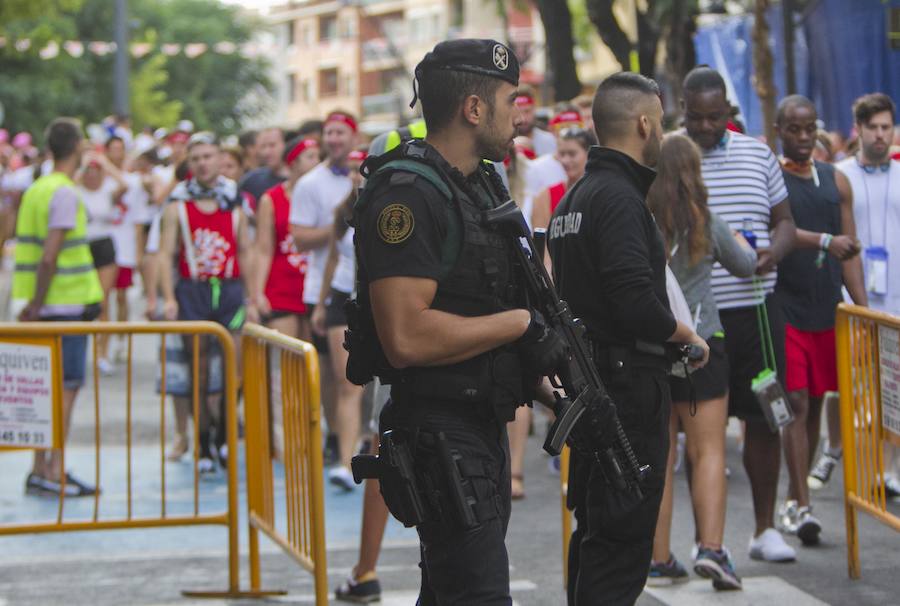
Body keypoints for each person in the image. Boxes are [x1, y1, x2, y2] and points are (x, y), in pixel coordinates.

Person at [351, 39, 567, 604]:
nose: (520, 119)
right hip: (439, 432)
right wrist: (520, 325)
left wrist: (547, 383)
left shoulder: (479, 183)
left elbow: (480, 299)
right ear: (474, 109)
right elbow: (405, 336)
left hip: (480, 423)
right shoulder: (408, 194)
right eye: (509, 101)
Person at [548, 72, 708, 605]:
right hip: (625, 393)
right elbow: (634, 301)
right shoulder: (617, 198)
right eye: (661, 122)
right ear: (643, 123)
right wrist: (687, 334)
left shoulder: (575, 197)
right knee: (618, 542)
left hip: (597, 389)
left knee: (596, 534)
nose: (662, 132)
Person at [682, 66, 798, 562]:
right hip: (698, 316)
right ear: (682, 112)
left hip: (755, 307)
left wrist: (777, 251)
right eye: (697, 118)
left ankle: (765, 527)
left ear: (728, 111)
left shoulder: (758, 154)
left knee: (764, 417)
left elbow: (785, 222)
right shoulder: (672, 156)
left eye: (716, 117)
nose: (707, 127)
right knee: (700, 430)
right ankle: (707, 536)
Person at [647, 133, 757, 590]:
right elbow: (746, 263)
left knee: (663, 454)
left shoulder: (642, 220)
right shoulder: (705, 221)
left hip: (654, 346)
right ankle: (712, 548)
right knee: (708, 449)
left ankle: (659, 557)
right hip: (703, 344)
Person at [772, 95, 868, 544]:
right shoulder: (771, 178)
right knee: (795, 402)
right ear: (779, 130)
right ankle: (802, 505)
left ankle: (795, 493)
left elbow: (849, 248)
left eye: (810, 128)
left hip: (826, 307)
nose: (804, 137)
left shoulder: (836, 180)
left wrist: (863, 311)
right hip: (784, 304)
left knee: (812, 403)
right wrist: (826, 241)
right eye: (795, 129)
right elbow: (779, 238)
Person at [13, 117, 104, 496]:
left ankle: (41, 469)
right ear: (79, 147)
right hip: (62, 307)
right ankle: (54, 470)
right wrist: (38, 302)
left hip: (42, 308)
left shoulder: (38, 188)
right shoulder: (64, 192)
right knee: (63, 394)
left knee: (43, 392)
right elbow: (49, 256)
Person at [157, 132, 252, 473]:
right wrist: (168, 298)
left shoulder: (235, 201)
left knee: (234, 368)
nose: (202, 163)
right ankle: (203, 441)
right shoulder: (177, 205)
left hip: (229, 291)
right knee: (198, 369)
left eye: (208, 156)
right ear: (190, 162)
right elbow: (166, 255)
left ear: (218, 157)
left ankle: (226, 434)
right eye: (196, 158)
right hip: (192, 291)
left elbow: (246, 250)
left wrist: (253, 296)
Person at [836, 93, 900, 499]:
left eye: (886, 127)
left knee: (894, 388)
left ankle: (890, 469)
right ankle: (856, 462)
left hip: (896, 300)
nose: (881, 135)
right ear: (858, 130)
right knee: (859, 390)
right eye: (873, 128)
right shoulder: (840, 175)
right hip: (854, 302)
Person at [291, 110, 357, 467]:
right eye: (328, 133)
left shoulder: (373, 175)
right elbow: (299, 239)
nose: (333, 139)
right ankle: (337, 437)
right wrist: (340, 226)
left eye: (340, 133)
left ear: (354, 136)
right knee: (335, 374)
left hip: (364, 289)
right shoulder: (310, 184)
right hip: (324, 288)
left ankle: (356, 437)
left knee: (360, 377)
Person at [312, 149, 368, 491]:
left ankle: (365, 442)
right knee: (346, 382)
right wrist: (320, 304)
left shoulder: (392, 206)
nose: (356, 177)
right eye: (352, 172)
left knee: (374, 388)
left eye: (361, 170)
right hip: (342, 298)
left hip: (376, 302)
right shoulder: (343, 211)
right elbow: (332, 259)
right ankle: (345, 462)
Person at [253, 137, 320, 341]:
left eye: (318, 156)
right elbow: (263, 249)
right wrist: (257, 293)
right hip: (281, 287)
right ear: (293, 163)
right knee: (286, 359)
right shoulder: (271, 199)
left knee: (313, 362)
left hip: (313, 284)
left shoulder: (321, 195)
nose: (317, 162)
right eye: (310, 157)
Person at [77, 149, 128, 375]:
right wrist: (83, 164)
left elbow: (125, 185)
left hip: (104, 245)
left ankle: (102, 353)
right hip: (82, 247)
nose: (92, 174)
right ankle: (80, 351)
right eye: (89, 171)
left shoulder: (108, 188)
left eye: (95, 171)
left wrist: (105, 163)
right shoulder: (76, 189)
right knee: (80, 303)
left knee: (103, 301)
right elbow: (67, 181)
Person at [530, 127, 594, 231]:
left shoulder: (598, 193)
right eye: (562, 154)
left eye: (572, 154)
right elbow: (540, 243)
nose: (565, 160)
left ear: (589, 154)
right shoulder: (546, 196)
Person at [239, 127, 287, 207]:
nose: (266, 152)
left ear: (286, 144)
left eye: (272, 145)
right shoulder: (250, 181)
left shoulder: (300, 178)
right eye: (263, 147)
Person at [515, 85, 556, 156]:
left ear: (535, 109)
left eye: (527, 111)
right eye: (518, 112)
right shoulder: (502, 143)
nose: (523, 118)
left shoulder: (550, 141)